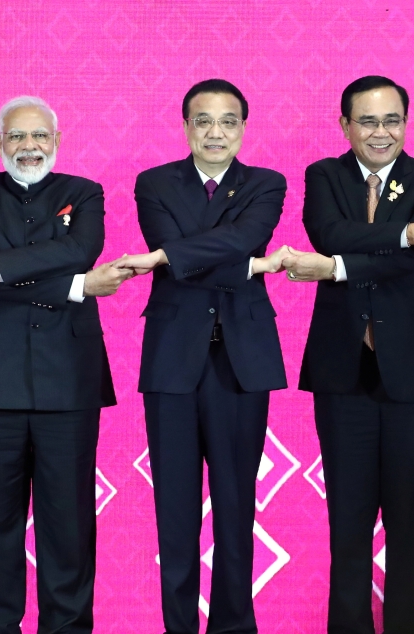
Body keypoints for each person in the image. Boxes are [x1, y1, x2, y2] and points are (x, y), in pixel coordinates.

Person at [280, 75, 414, 634]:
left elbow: (405, 264)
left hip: (412, 371)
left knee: (408, 527)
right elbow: (327, 231)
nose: (382, 133)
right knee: (348, 527)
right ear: (346, 125)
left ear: (406, 122)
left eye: (393, 121)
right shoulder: (324, 175)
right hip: (342, 370)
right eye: (369, 121)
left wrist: (337, 266)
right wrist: (409, 234)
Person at [0, 96, 126, 633]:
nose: (30, 147)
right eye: (17, 138)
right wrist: (76, 287)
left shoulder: (84, 193)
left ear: (57, 140)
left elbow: (79, 250)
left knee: (67, 524)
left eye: (39, 136)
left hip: (68, 381)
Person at [115, 79, 288, 634]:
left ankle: (234, 626)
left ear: (243, 126)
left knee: (237, 506)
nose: (216, 132)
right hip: (173, 358)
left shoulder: (266, 183)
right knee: (176, 509)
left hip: (242, 359)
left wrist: (167, 256)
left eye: (229, 121)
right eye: (204, 121)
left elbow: (243, 238)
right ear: (186, 125)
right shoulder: (154, 182)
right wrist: (250, 266)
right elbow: (233, 250)